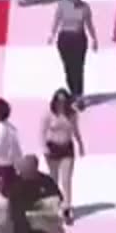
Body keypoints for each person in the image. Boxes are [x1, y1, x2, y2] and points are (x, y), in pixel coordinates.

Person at [6, 155, 63, 233]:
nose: (24, 170)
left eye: (27, 167)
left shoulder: (46, 181)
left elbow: (58, 199)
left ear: (35, 167)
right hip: (24, 228)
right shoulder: (15, 181)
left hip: (39, 229)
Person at [47, 0, 98, 105]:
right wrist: (52, 34)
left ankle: (79, 95)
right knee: (68, 67)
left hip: (79, 39)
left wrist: (94, 39)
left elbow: (89, 24)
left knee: (78, 67)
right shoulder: (62, 5)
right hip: (65, 39)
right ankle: (73, 92)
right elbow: (56, 20)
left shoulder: (85, 7)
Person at [40, 90, 84, 224]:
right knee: (53, 180)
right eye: (58, 101)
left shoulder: (72, 114)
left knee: (66, 180)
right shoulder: (49, 115)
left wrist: (80, 144)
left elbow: (76, 130)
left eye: (64, 101)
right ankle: (52, 207)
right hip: (52, 148)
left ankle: (66, 208)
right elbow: (42, 132)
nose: (61, 104)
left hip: (67, 148)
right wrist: (44, 148)